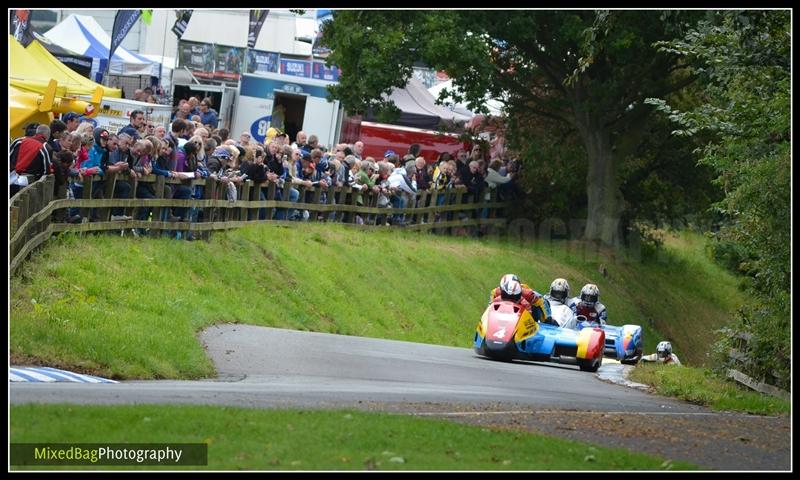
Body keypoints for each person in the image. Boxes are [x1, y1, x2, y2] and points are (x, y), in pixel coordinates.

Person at [490, 274, 554, 325]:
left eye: (514, 297)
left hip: (532, 307)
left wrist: (546, 318)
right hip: (507, 311)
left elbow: (541, 302)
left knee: (546, 320)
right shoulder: (495, 293)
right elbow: (490, 310)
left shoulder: (528, 294)